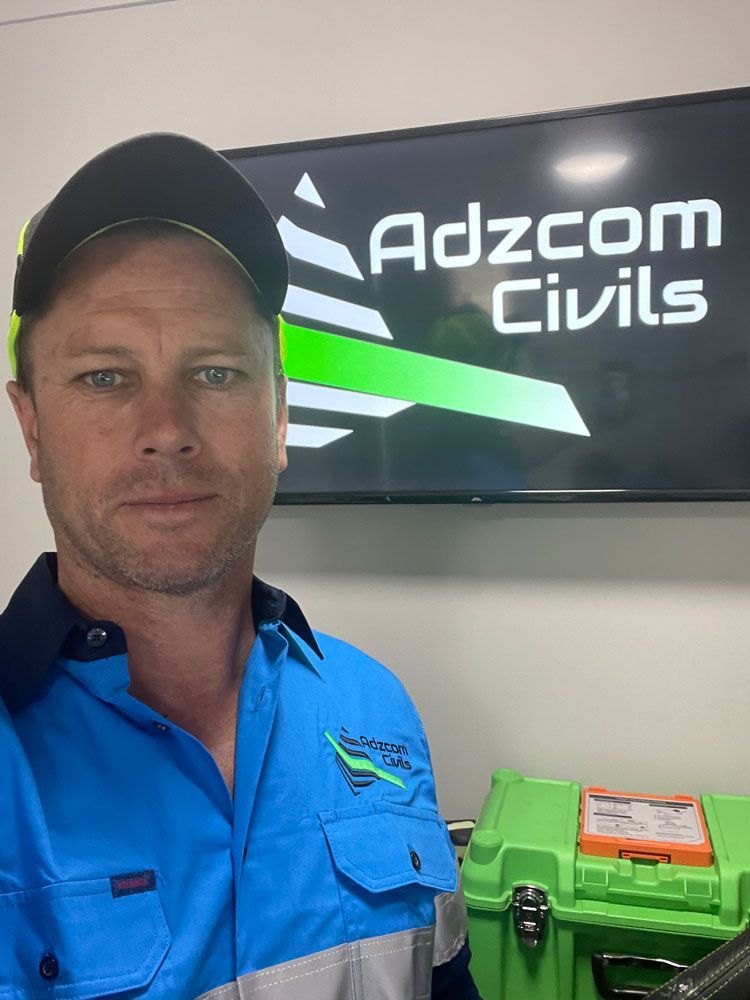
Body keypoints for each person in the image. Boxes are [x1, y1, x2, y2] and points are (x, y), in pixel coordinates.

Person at [0, 133, 480, 999]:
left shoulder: (376, 707)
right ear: (32, 428)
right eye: (106, 377)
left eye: (216, 372)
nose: (168, 426)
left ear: (280, 417)